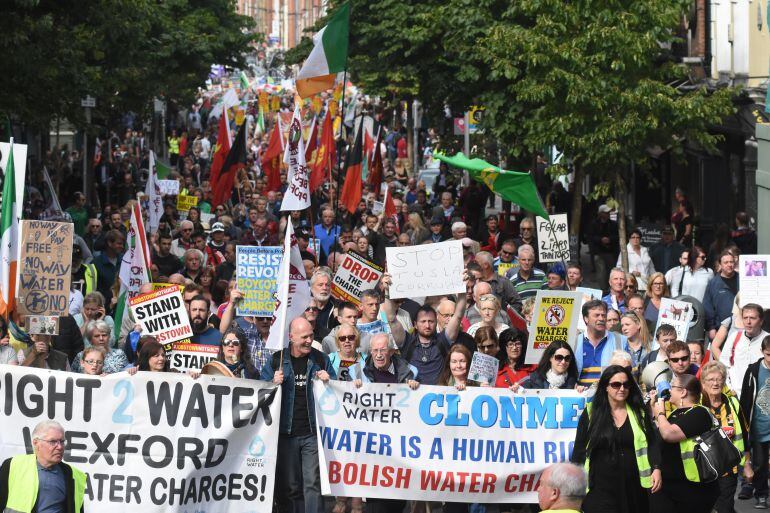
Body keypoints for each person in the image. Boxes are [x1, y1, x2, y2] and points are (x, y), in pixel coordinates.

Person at [261, 317, 335, 513]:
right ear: (291, 337)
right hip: (285, 433)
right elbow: (260, 391)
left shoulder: (320, 359)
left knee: (312, 483)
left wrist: (329, 380)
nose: (309, 340)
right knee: (291, 486)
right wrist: (271, 382)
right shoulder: (277, 360)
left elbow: (338, 391)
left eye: (311, 335)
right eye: (304, 337)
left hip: (311, 432)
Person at [571, 365, 661, 512]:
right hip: (599, 488)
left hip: (634, 487)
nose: (622, 388)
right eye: (616, 384)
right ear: (606, 387)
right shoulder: (590, 413)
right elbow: (579, 451)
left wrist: (656, 468)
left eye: (626, 384)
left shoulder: (640, 412)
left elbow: (652, 443)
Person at [350, 333, 417, 513]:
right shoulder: (356, 372)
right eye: (375, 350)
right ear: (370, 352)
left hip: (399, 447)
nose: (379, 354)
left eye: (383, 350)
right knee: (375, 501)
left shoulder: (411, 372)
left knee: (396, 502)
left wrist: (416, 388)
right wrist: (353, 386)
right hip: (372, 446)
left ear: (392, 351)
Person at [650, 374, 720, 512]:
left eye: (672, 387)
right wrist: (654, 409)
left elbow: (669, 434)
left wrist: (660, 414)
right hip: (671, 486)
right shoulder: (676, 413)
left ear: (683, 392)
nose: (669, 390)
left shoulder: (699, 413)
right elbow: (661, 437)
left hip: (693, 489)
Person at [0, 420, 86, 513]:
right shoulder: (13, 465)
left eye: (61, 441)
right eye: (53, 441)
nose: (60, 447)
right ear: (36, 443)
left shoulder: (72, 474)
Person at [699, 361, 751, 513]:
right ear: (703, 383)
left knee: (725, 507)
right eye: (710, 379)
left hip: (729, 468)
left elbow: (745, 434)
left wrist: (747, 465)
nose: (715, 383)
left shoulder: (733, 403)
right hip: (705, 468)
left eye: (719, 379)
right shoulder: (697, 405)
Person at [739, 335, 770, 508]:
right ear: (762, 352)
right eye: (768, 354)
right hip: (759, 427)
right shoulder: (753, 370)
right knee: (760, 464)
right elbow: (745, 401)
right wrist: (746, 428)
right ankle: (762, 494)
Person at [574, 300, 627, 387]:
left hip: (609, 395)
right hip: (581, 396)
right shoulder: (574, 342)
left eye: (603, 315)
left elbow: (630, 371)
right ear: (586, 319)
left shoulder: (621, 340)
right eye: (596, 315)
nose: (601, 319)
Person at [719, 303, 768, 394]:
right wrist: (729, 388)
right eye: (745, 318)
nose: (748, 322)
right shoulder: (734, 337)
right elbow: (723, 365)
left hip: (760, 395)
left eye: (752, 318)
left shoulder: (767, 339)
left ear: (761, 321)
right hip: (736, 394)